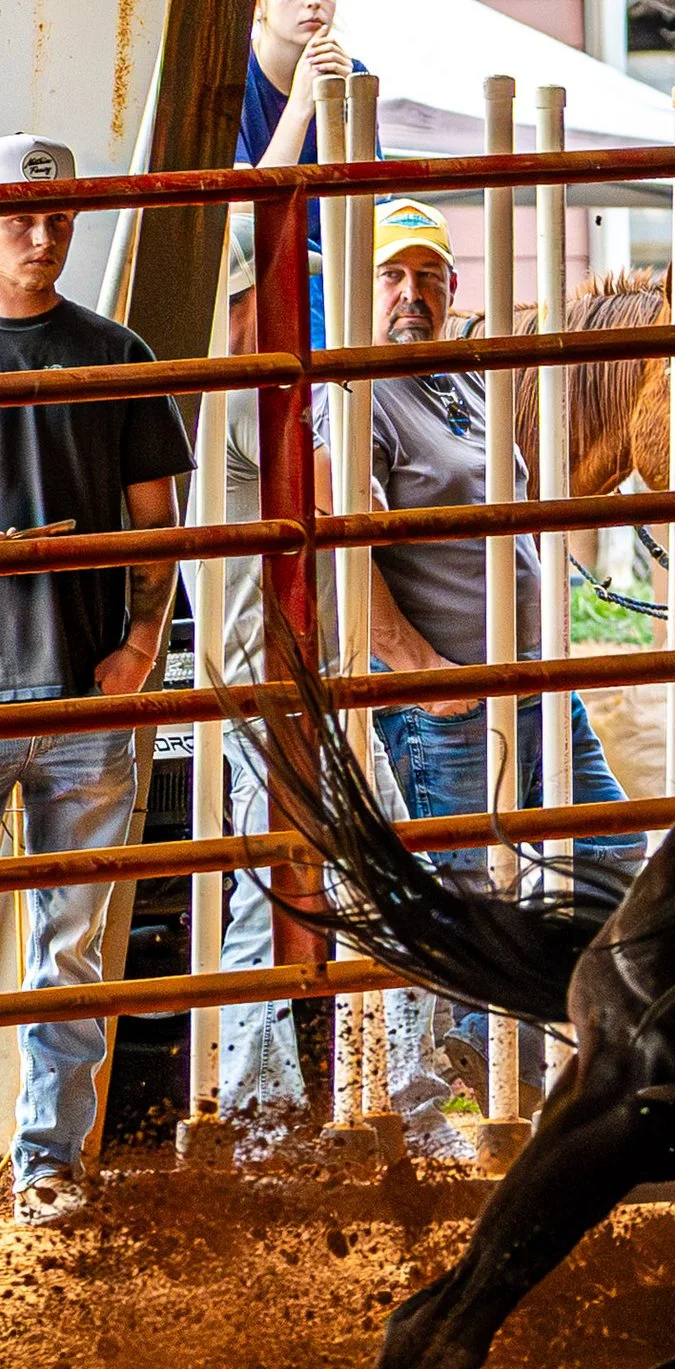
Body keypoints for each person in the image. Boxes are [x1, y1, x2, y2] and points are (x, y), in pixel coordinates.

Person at [182, 215, 470, 1155]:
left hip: (312, 683)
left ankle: (388, 1103)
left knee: (364, 885)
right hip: (273, 689)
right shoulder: (236, 399)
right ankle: (274, 1122)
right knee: (281, 902)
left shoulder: (280, 394)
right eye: (246, 299)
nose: (260, 313)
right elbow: (337, 495)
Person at [349, 199, 641, 1112]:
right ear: (362, 292)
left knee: (613, 842)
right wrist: (422, 672)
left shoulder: (468, 387)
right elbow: (344, 555)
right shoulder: (356, 401)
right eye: (392, 277)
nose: (411, 295)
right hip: (453, 699)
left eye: (428, 277)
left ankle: (531, 1063)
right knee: (477, 894)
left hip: (536, 687)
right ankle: (483, 1099)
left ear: (453, 288)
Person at [0, 135, 195, 1224]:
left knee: (72, 943)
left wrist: (140, 644)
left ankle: (48, 1165)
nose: (41, 236)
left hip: (84, 690)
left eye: (59, 218)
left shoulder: (116, 351)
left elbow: (153, 527)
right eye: (22, 218)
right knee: (64, 939)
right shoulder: (112, 350)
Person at [235, 0, 367, 348]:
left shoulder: (353, 78)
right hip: (258, 270)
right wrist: (301, 105)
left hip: (336, 266)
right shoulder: (235, 80)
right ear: (259, 6)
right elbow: (242, 207)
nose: (313, 3)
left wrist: (342, 107)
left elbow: (372, 201)